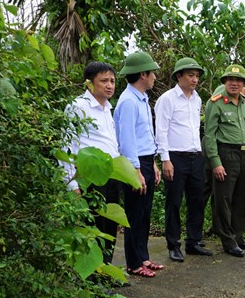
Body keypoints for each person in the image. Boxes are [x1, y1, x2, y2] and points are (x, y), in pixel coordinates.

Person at [61, 61, 122, 265]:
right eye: (104, 80)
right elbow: (67, 146)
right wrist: (71, 183)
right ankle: (95, 280)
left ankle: (107, 272)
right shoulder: (78, 107)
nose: (109, 85)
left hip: (111, 175)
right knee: (94, 227)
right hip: (91, 178)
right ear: (89, 83)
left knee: (110, 226)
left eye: (112, 81)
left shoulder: (107, 108)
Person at [203, 64, 245, 257]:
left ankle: (239, 236)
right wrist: (216, 162)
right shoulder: (216, 102)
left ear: (244, 84)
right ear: (225, 82)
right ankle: (228, 241)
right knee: (224, 198)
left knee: (241, 197)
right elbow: (209, 135)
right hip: (226, 154)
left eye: (238, 80)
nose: (234, 83)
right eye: (230, 79)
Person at [154, 57, 213, 262]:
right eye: (190, 75)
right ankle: (173, 244)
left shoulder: (197, 99)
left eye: (197, 76)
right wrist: (165, 159)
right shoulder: (167, 99)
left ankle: (193, 241)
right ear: (179, 76)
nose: (195, 79)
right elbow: (161, 130)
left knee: (197, 200)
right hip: (175, 156)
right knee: (174, 202)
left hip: (195, 156)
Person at [114, 51, 164, 277]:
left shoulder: (141, 99)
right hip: (134, 163)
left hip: (144, 160)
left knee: (144, 213)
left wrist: (151, 163)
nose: (154, 76)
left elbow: (144, 136)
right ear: (143, 74)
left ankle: (143, 257)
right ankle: (133, 264)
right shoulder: (128, 102)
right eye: (152, 72)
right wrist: (135, 171)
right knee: (134, 213)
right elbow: (127, 140)